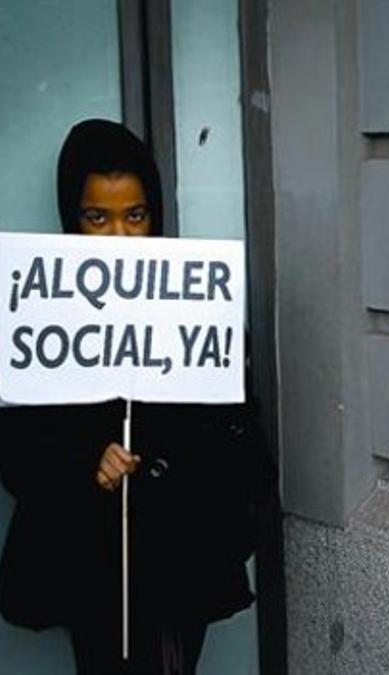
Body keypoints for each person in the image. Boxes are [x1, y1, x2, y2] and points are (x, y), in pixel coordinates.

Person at [0, 119, 274, 674]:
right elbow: (16, 449)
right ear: (72, 217)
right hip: (87, 566)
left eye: (136, 216)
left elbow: (245, 450)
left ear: (156, 215)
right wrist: (84, 466)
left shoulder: (200, 311)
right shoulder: (37, 315)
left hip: (180, 560)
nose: (120, 238)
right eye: (97, 218)